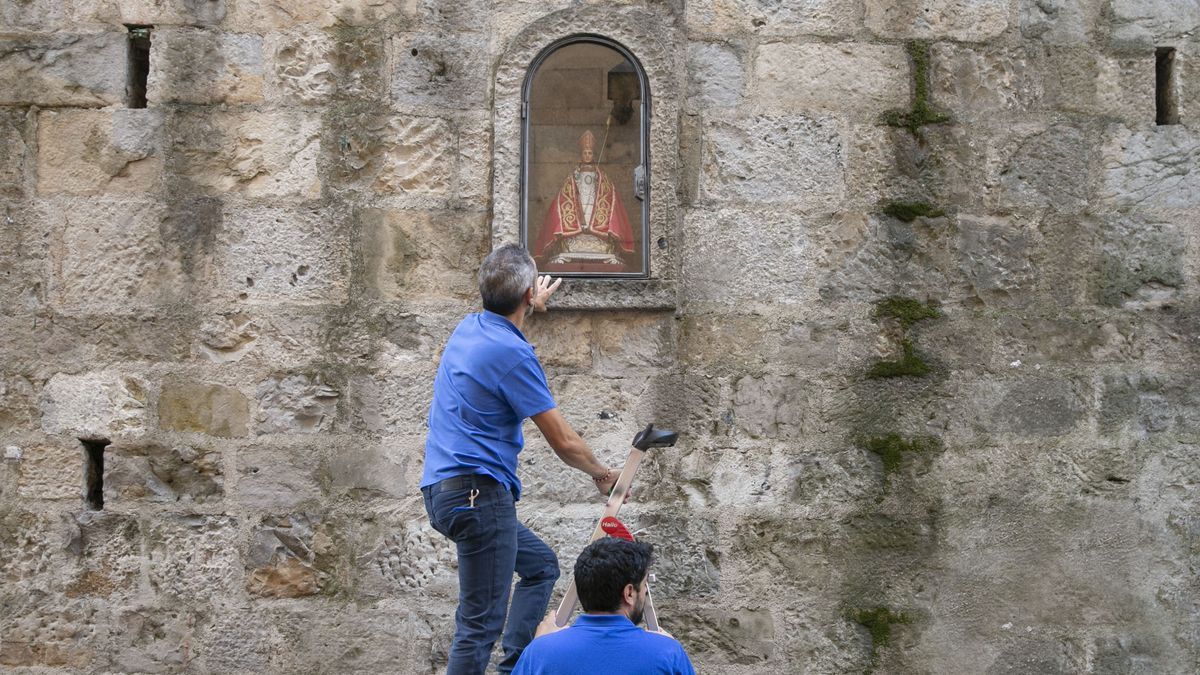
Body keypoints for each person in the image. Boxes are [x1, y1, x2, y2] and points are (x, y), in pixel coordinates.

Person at [421, 244, 622, 674]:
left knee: (540, 566)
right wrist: (603, 474)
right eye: (532, 292)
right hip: (479, 495)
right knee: (478, 625)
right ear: (528, 295)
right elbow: (564, 442)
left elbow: (503, 341)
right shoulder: (513, 355)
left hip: (445, 492)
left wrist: (530, 304)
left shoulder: (469, 328)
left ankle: (514, 666)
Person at [512, 538, 696, 675]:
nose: (645, 593)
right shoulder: (667, 653)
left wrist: (538, 646)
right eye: (644, 585)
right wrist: (668, 646)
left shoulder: (539, 654)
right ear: (629, 593)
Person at [532, 129, 635, 269]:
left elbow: (611, 200)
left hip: (596, 220)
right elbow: (563, 200)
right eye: (585, 153)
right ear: (581, 155)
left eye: (590, 153)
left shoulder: (603, 180)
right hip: (578, 222)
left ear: (593, 155)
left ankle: (597, 236)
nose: (587, 155)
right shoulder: (573, 178)